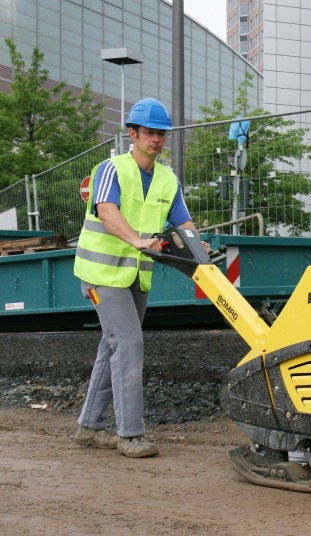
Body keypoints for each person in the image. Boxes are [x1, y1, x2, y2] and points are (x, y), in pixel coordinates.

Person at [73, 97, 207, 458]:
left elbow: (183, 220)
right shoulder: (111, 169)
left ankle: (89, 427)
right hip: (101, 275)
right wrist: (135, 239)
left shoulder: (167, 179)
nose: (157, 140)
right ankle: (129, 434)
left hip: (135, 276)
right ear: (132, 134)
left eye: (162, 134)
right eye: (149, 132)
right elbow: (106, 210)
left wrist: (195, 246)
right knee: (129, 344)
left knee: (112, 345)